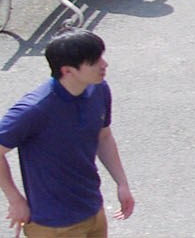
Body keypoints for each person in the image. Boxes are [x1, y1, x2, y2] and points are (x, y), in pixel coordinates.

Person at [0, 30, 138, 236]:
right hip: (54, 224)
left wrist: (122, 183)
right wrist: (15, 200)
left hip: (92, 209)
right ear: (67, 71)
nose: (104, 64)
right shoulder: (35, 109)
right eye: (94, 61)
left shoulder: (98, 89)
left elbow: (104, 136)